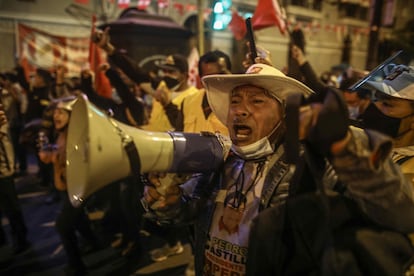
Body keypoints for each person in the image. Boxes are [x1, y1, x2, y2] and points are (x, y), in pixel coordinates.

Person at [142, 63, 414, 275]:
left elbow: (401, 212)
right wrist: (168, 203)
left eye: (257, 101)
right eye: (235, 101)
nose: (240, 111)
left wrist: (346, 147)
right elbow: (188, 209)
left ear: (285, 114)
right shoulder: (220, 160)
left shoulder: (310, 166)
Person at [38, 96, 101, 275]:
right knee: (79, 220)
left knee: (63, 226)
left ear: (72, 115)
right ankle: (95, 243)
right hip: (68, 189)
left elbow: (77, 166)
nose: (55, 116)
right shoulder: (63, 133)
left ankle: (77, 266)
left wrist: (52, 158)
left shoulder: (77, 138)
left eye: (61, 112)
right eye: (55, 111)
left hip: (79, 189)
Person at [0, 105, 30, 254]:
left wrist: (10, 168)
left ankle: (21, 237)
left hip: (3, 171)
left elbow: (4, 139)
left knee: (11, 206)